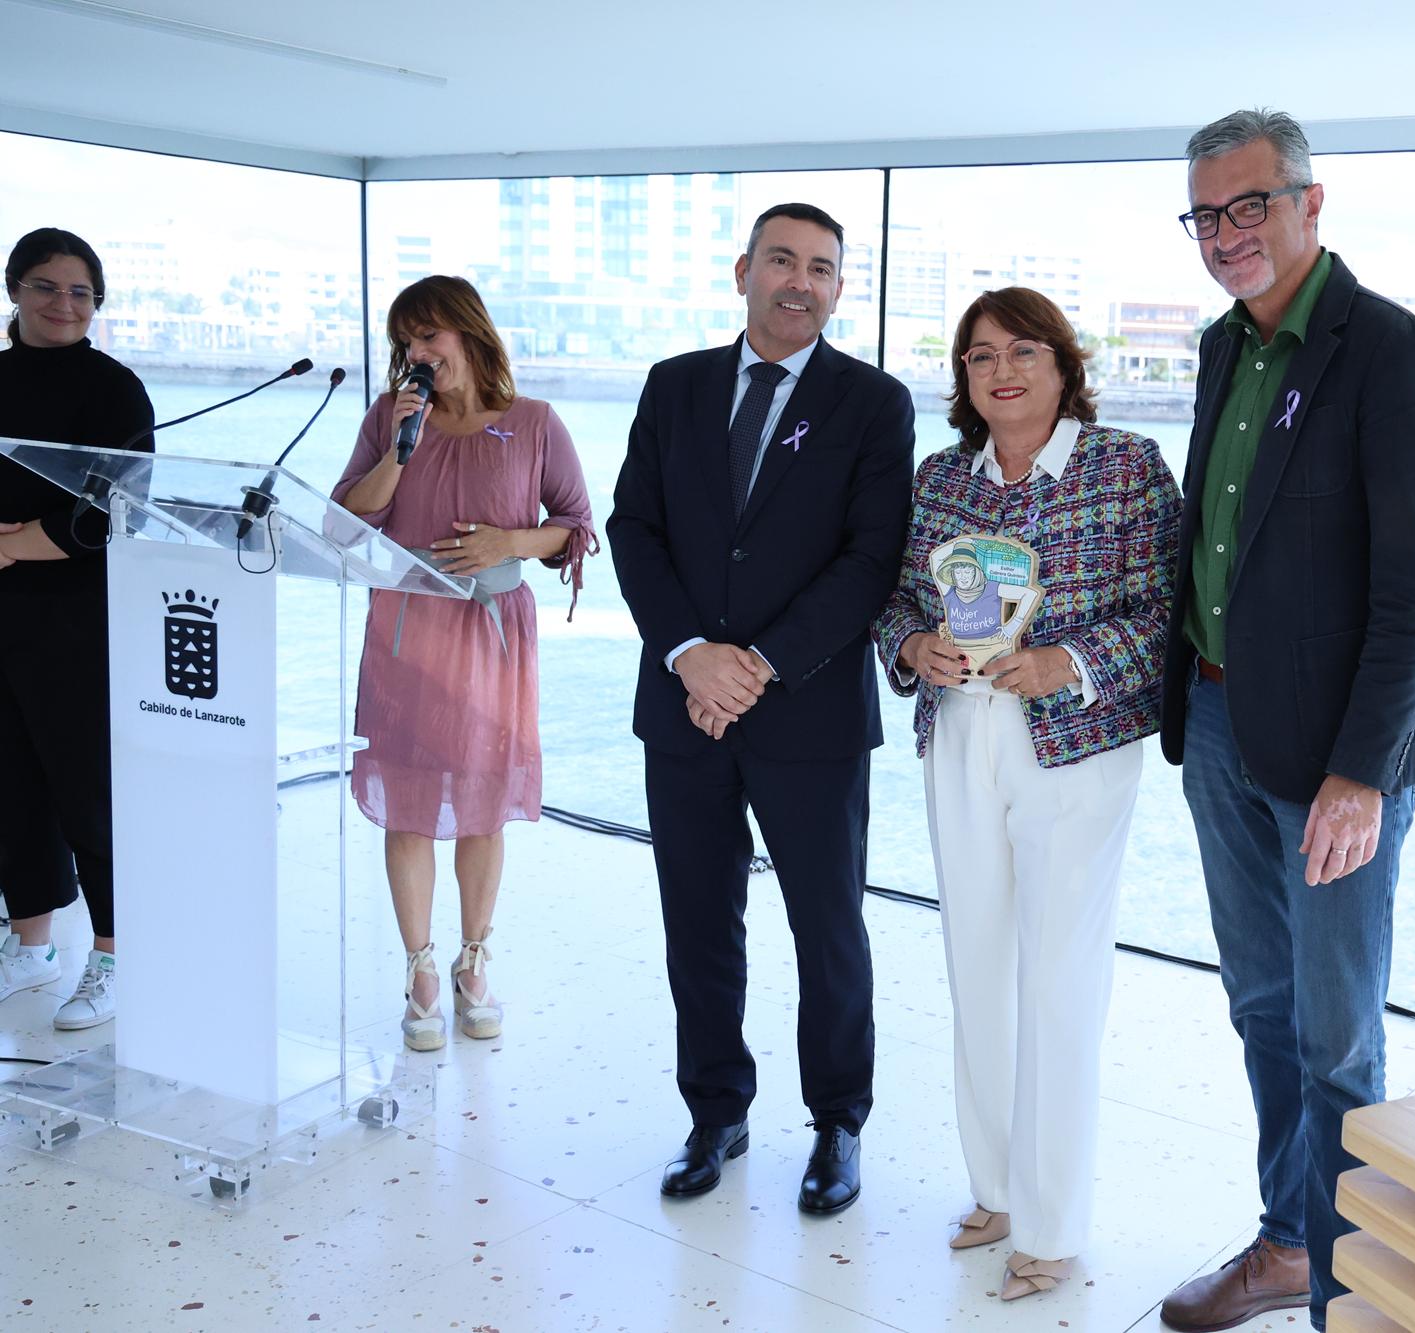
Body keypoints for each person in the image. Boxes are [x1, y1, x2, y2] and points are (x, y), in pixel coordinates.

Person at [1155, 110, 1415, 1333]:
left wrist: (1358, 776)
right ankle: (1288, 1244)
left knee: (1337, 1042)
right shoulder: (1224, 349)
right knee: (1260, 1011)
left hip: (1332, 760)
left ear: (1309, 205)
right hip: (1220, 731)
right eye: (1206, 214)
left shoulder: (1392, 352)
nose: (1227, 234)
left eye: (1250, 205)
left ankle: (1353, 1294)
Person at [872, 287, 1181, 1300]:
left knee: (1056, 981)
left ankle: (1049, 1228)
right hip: (957, 735)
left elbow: (1167, 610)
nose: (1000, 372)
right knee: (975, 965)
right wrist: (912, 646)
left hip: (1075, 749)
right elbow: (898, 602)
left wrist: (1070, 661)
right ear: (961, 379)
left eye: (1022, 351)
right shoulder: (939, 478)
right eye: (977, 357)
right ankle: (996, 1187)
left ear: (1062, 362)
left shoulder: (1124, 466)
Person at [607, 203, 914, 1216]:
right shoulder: (674, 385)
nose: (799, 281)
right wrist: (693, 655)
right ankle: (715, 1112)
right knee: (697, 922)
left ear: (837, 288)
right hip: (682, 705)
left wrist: (760, 664)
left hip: (809, 714)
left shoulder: (873, 403)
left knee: (826, 928)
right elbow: (632, 528)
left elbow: (869, 558)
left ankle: (836, 1124)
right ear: (742, 271)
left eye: (821, 268)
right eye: (780, 260)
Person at [331, 275, 595, 1053]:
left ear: (469, 333)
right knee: (409, 801)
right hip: (408, 628)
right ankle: (418, 969)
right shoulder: (391, 417)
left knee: (482, 802)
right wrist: (400, 449)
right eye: (407, 341)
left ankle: (472, 959)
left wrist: (509, 543)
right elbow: (347, 516)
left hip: (493, 636)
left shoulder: (536, 423)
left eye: (430, 335)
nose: (417, 353)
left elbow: (575, 523)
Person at [0, 227, 154, 1031]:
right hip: (2, 611)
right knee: (10, 784)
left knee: (88, 791)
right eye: (47, 287)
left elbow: (121, 503)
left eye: (81, 292)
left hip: (79, 617)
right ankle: (30, 945)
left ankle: (114, 953)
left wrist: (22, 544)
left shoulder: (115, 390)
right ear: (13, 290)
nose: (64, 304)